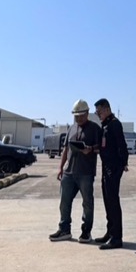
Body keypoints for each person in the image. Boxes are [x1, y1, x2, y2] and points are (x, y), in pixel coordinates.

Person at [49, 99, 102, 243]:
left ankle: (86, 232)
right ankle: (64, 230)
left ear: (87, 113)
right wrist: (60, 167)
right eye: (76, 116)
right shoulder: (71, 128)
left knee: (87, 203)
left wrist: (90, 149)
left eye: (81, 116)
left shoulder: (95, 129)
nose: (78, 119)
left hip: (86, 173)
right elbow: (66, 149)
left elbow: (101, 147)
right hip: (69, 172)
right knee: (64, 202)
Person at [94, 98, 128, 249]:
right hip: (106, 166)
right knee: (107, 200)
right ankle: (110, 231)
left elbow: (122, 145)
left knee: (113, 201)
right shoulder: (105, 125)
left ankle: (116, 238)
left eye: (99, 112)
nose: (98, 115)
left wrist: (123, 164)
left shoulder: (115, 124)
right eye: (97, 113)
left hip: (113, 167)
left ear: (107, 109)